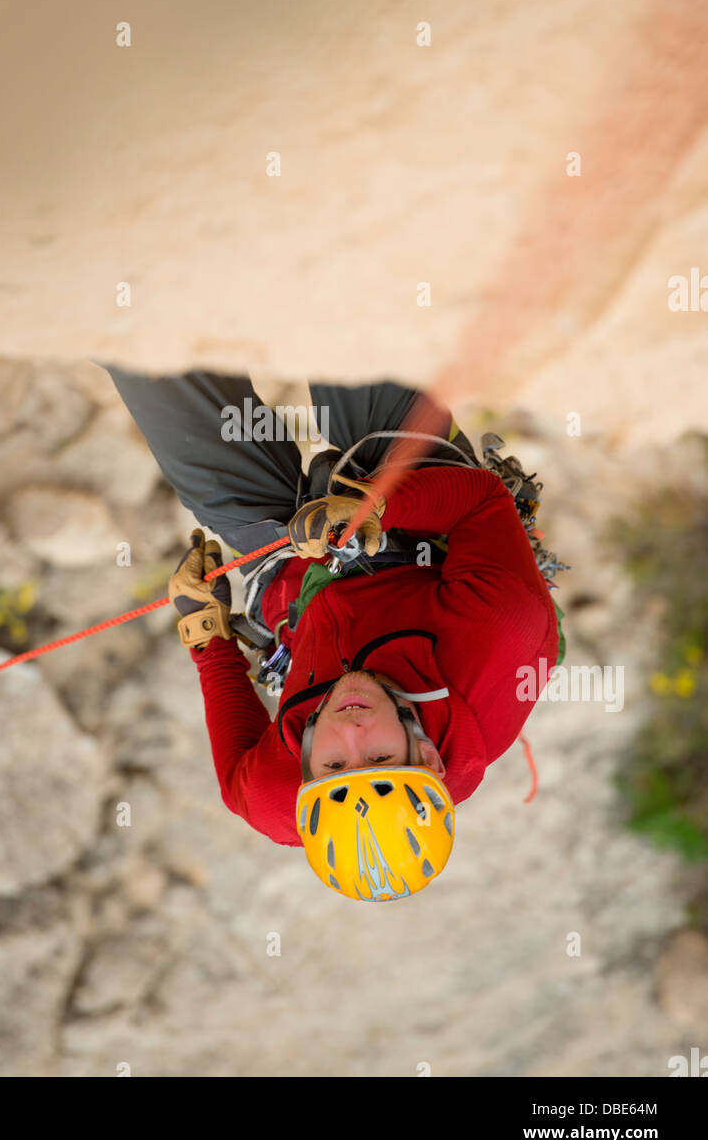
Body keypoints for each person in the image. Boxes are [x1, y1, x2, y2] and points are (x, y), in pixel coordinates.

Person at [103, 368, 566, 902]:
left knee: (152, 374)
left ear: (305, 774)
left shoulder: (276, 794)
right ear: (428, 758)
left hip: (297, 590)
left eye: (334, 764)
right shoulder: (500, 634)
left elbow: (236, 777)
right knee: (353, 356)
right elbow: (481, 501)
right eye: (380, 757)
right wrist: (377, 507)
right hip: (423, 534)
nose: (351, 730)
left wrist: (208, 635)